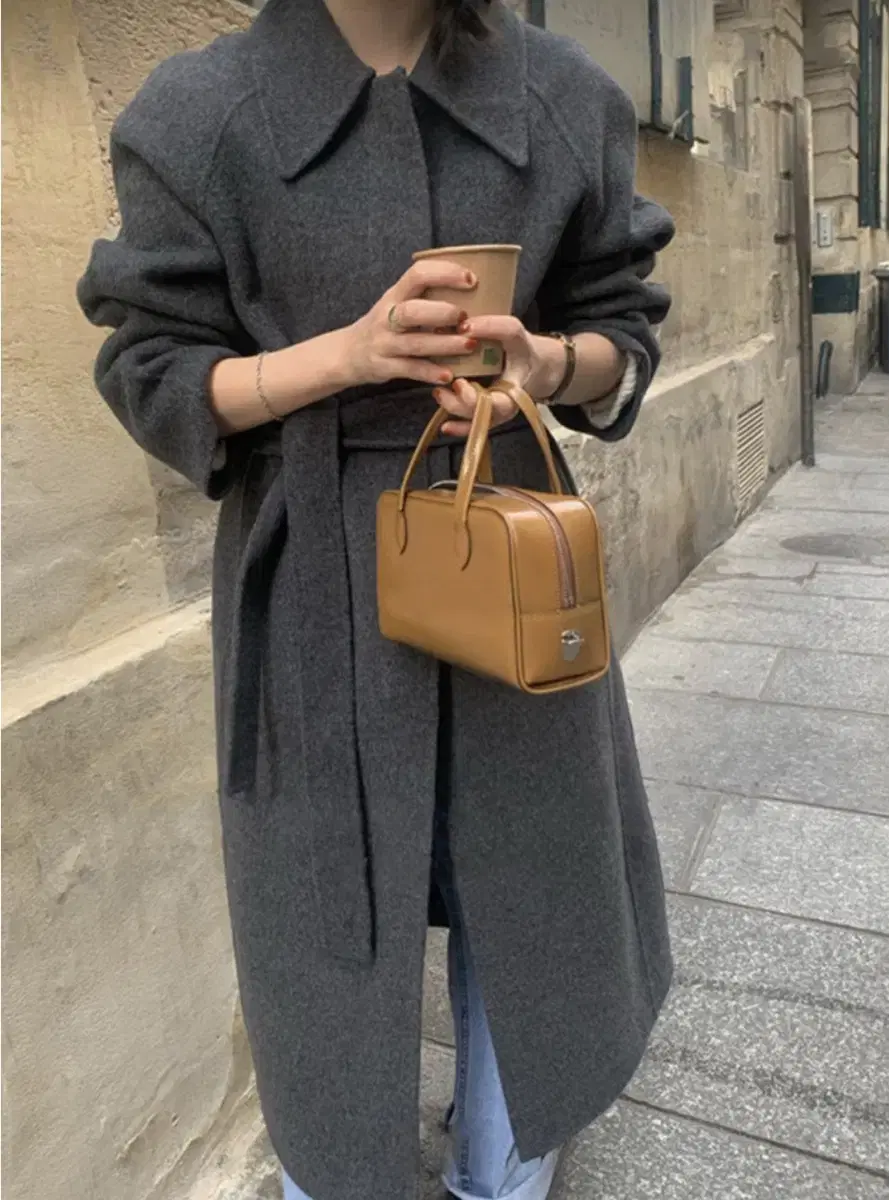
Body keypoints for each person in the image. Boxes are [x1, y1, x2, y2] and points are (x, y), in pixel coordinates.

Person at [78, 2, 676, 1198]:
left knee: (535, 888)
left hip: (508, 550)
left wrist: (545, 364)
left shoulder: (562, 95)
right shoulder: (199, 114)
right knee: (323, 924)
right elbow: (148, 367)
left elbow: (621, 326)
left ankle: (501, 1172)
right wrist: (344, 358)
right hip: (310, 576)